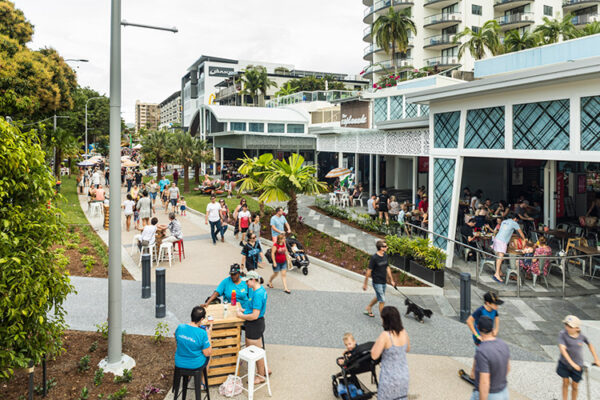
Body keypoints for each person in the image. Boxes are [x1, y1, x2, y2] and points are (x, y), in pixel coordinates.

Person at [236, 270, 269, 385]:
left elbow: (255, 315)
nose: (246, 284)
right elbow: (253, 308)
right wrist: (245, 310)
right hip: (257, 324)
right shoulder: (258, 290)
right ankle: (264, 370)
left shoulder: (258, 294)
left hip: (254, 325)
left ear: (253, 280)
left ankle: (260, 376)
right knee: (258, 349)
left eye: (247, 281)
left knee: (255, 352)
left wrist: (241, 315)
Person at [557, 315, 600, 400]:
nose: (567, 328)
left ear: (577, 328)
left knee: (575, 385)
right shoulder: (562, 334)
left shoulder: (581, 336)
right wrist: (572, 364)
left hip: (578, 365)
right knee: (565, 382)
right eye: (566, 325)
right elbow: (563, 350)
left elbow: (590, 345)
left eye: (570, 326)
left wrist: (596, 359)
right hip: (565, 363)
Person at [371, 306, 410, 400]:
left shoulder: (385, 335)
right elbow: (407, 349)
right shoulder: (403, 332)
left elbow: (374, 355)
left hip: (389, 378)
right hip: (404, 375)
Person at [471, 316, 511, 400]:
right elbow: (508, 368)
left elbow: (484, 382)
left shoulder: (482, 351)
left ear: (478, 328)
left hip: (491, 395)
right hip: (504, 392)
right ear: (492, 328)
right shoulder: (503, 344)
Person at [174, 306, 212, 377]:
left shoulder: (180, 327)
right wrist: (209, 335)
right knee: (209, 356)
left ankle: (187, 378)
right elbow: (207, 353)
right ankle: (202, 383)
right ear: (202, 319)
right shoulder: (202, 333)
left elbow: (176, 339)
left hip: (179, 362)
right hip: (194, 365)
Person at [363, 240, 396, 318]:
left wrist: (391, 280)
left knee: (379, 297)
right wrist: (365, 283)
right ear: (381, 248)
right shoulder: (374, 258)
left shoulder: (385, 256)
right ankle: (383, 320)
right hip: (377, 282)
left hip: (383, 281)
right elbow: (368, 271)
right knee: (382, 300)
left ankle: (368, 307)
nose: (387, 247)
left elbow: (387, 267)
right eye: (385, 246)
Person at [492, 214, 526, 284]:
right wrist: (525, 240)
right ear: (516, 219)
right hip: (502, 241)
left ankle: (500, 272)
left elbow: (505, 231)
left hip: (497, 239)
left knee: (498, 257)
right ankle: (496, 274)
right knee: (500, 258)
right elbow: (521, 233)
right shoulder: (515, 223)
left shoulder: (504, 221)